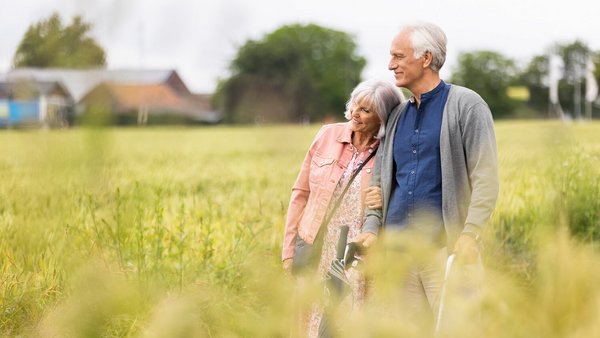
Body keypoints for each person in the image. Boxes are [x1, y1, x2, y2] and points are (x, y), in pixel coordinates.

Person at [355, 22, 499, 322]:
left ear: (426, 58)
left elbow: (486, 178)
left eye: (398, 56)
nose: (390, 64)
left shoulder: (467, 105)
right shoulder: (396, 116)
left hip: (444, 253)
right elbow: (380, 181)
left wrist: (471, 233)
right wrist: (370, 229)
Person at [282, 79, 403, 337]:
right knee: (310, 317)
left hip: (357, 251)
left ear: (383, 118)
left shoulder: (389, 151)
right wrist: (289, 250)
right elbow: (300, 194)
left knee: (349, 317)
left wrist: (385, 199)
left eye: (366, 110)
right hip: (318, 245)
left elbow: (402, 198)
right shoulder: (327, 135)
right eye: (354, 105)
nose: (355, 114)